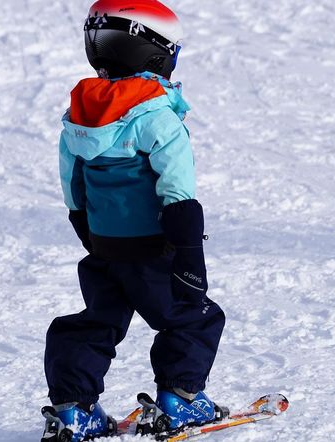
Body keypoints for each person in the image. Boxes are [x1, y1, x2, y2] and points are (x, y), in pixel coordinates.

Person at [40, 1, 225, 441]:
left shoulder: (80, 116)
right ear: (156, 54)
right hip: (154, 249)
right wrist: (188, 256)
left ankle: (73, 408)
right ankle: (180, 399)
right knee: (194, 318)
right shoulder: (157, 116)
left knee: (95, 322)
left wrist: (89, 232)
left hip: (104, 247)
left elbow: (73, 184)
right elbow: (178, 191)